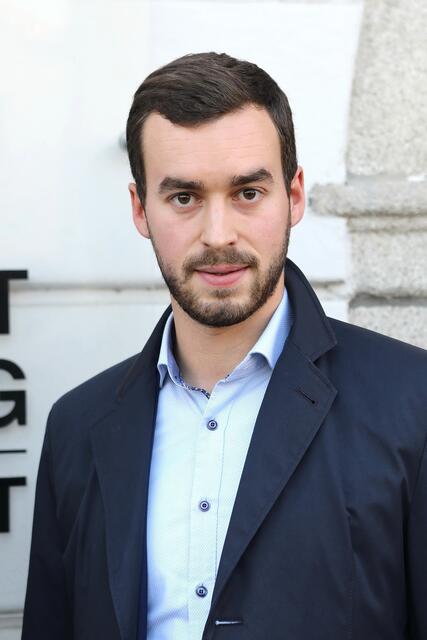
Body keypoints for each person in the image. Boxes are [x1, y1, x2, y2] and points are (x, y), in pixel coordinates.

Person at [22, 52, 427, 640]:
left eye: (247, 193)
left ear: (294, 195)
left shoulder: (412, 403)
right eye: (184, 197)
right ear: (141, 208)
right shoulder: (77, 428)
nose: (218, 235)